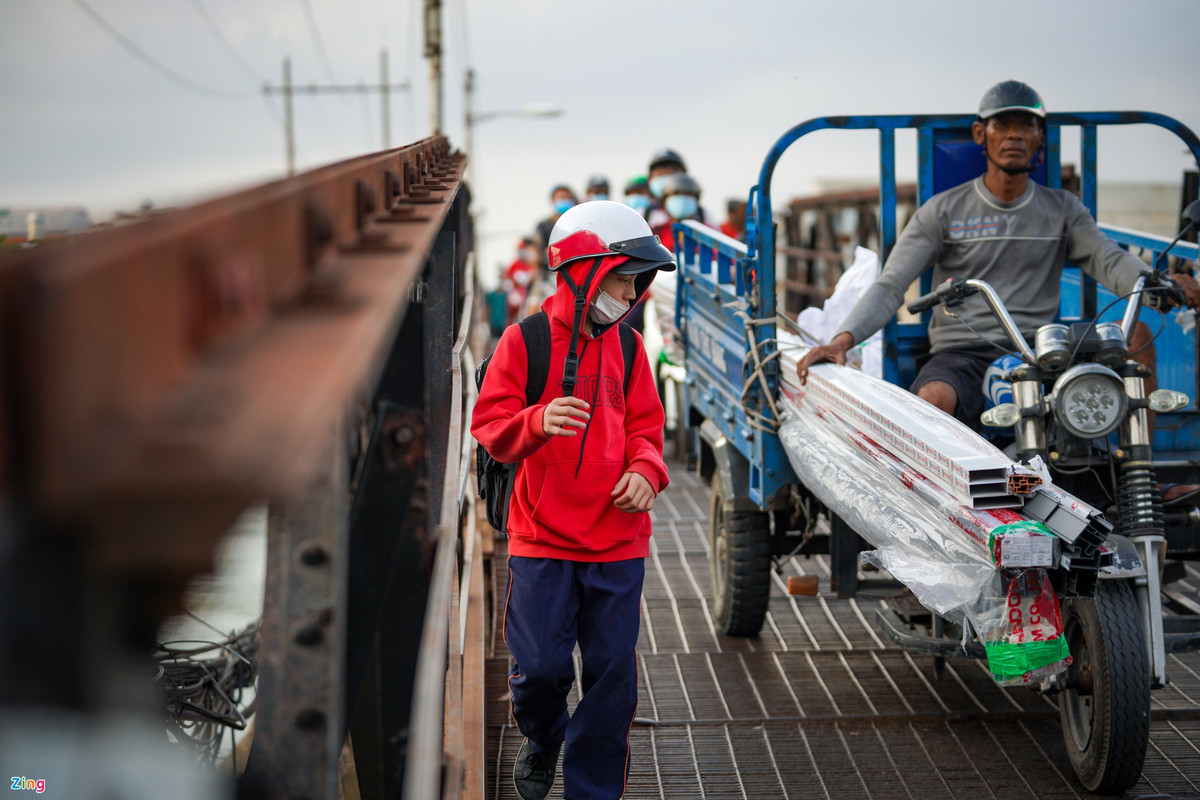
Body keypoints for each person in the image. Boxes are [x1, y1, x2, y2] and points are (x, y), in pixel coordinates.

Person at [795, 79, 1200, 437]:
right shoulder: (943, 209)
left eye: (1027, 126)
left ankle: (1138, 475)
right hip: (964, 352)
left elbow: (1109, 260)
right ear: (980, 134)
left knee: (1138, 337)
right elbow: (891, 284)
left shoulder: (1063, 209)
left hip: (1044, 347)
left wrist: (1158, 286)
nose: (1014, 135)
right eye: (1002, 125)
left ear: (1040, 137)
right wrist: (843, 340)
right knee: (931, 399)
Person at [471, 201, 673, 800]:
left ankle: (592, 790)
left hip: (617, 540)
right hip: (541, 536)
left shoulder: (631, 349)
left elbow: (648, 431)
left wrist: (646, 470)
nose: (631, 294)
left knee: (612, 678)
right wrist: (537, 420)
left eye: (638, 282)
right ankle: (541, 736)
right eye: (622, 278)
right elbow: (490, 425)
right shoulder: (523, 341)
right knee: (540, 671)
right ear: (583, 271)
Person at [534, 184, 579, 270]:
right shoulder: (543, 226)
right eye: (562, 198)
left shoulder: (576, 225)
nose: (565, 200)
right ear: (553, 200)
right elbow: (538, 249)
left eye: (567, 198)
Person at [645, 148, 687, 232]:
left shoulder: (701, 214)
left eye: (672, 173)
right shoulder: (642, 214)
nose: (666, 179)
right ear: (650, 179)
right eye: (660, 174)